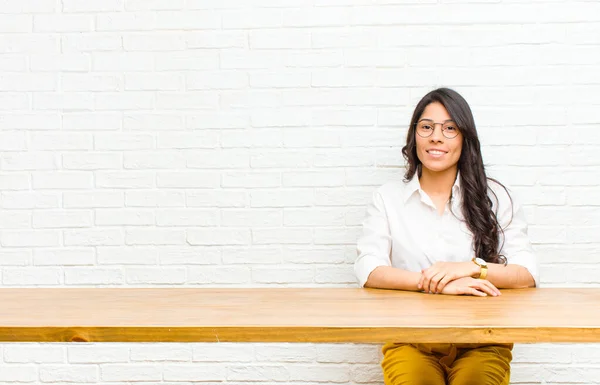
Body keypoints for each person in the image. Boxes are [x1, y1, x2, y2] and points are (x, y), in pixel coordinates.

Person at [354, 88, 539, 385]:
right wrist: (438, 284)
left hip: (483, 340)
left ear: (465, 139)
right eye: (426, 127)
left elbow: (526, 273)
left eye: (450, 128)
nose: (436, 137)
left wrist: (471, 268)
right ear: (415, 136)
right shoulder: (387, 198)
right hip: (410, 340)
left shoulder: (497, 197)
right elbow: (369, 269)